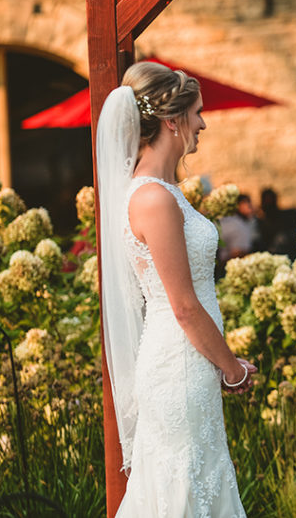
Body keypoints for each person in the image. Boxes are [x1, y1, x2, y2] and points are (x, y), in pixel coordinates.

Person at [96, 60, 256, 517]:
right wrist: (233, 368)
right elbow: (183, 305)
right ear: (172, 120)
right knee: (183, 484)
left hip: (189, 360)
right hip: (180, 364)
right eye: (198, 112)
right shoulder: (153, 198)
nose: (203, 122)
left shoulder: (167, 190)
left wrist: (222, 364)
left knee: (194, 480)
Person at [257, 187, 296, 257]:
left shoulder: (289, 216)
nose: (269, 202)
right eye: (267, 200)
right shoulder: (260, 223)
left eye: (270, 200)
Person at [218, 194, 259, 262]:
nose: (250, 207)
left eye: (249, 202)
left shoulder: (230, 220)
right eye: (246, 203)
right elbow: (238, 254)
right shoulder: (239, 226)